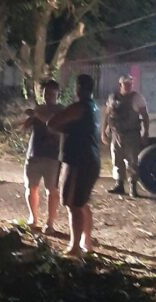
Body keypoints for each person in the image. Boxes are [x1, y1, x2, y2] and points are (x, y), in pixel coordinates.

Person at [48, 74, 100, 258]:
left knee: (73, 204)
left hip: (78, 161)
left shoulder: (79, 107)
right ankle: (86, 242)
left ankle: (74, 247)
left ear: (78, 88)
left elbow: (52, 122)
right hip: (90, 160)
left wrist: (61, 126)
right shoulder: (93, 107)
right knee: (82, 202)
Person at [22, 79, 63, 235]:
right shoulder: (39, 108)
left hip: (53, 156)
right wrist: (28, 119)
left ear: (57, 94)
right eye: (46, 93)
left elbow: (54, 125)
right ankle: (33, 217)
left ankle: (50, 222)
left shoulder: (61, 111)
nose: (48, 97)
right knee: (31, 187)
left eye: (51, 94)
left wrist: (37, 114)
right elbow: (28, 125)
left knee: (52, 189)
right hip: (34, 153)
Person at [102, 74, 150, 197]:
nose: (128, 86)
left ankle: (132, 186)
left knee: (132, 161)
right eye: (126, 83)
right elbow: (107, 114)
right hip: (116, 134)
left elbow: (145, 116)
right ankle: (119, 184)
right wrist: (104, 131)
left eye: (130, 83)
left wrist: (145, 132)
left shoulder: (137, 98)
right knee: (117, 159)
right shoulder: (112, 97)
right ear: (120, 84)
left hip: (131, 134)